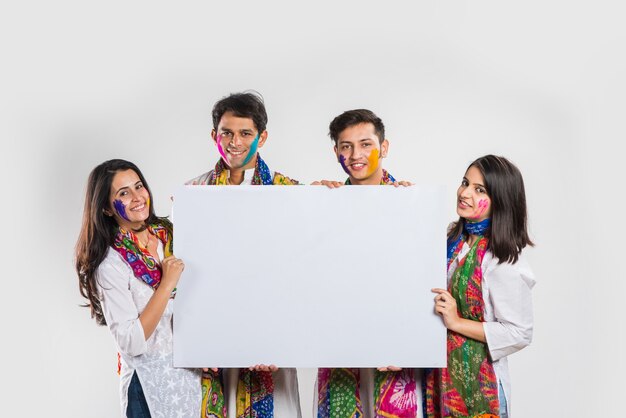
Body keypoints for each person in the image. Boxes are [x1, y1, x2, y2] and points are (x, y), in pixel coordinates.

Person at [186, 91, 302, 418]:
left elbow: (304, 270)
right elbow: (183, 275)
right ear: (214, 135)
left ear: (261, 137)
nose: (235, 142)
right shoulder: (194, 193)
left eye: (246, 133)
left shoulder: (290, 192)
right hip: (216, 334)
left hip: (273, 336)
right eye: (227, 132)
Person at [315, 109, 422, 418]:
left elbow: (420, 277)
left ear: (383, 148)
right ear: (336, 152)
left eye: (365, 144)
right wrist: (309, 208)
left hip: (394, 338)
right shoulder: (324, 202)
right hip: (341, 335)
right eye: (345, 146)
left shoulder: (410, 201)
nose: (355, 154)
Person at [76, 159, 201, 417]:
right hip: (147, 387)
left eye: (139, 186)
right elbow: (131, 342)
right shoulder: (111, 264)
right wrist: (166, 284)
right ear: (107, 209)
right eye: (123, 193)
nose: (137, 197)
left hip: (189, 381)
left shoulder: (170, 237)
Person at [425, 155, 535, 418]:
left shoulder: (504, 258)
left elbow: (519, 333)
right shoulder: (453, 239)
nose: (464, 193)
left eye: (479, 190)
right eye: (465, 183)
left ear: (501, 201)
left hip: (479, 388)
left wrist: (456, 322)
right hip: (440, 382)